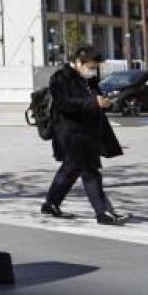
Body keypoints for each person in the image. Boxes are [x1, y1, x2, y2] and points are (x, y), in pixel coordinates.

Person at [40, 46, 132, 225]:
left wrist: (105, 103)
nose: (93, 70)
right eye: (91, 66)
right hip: (71, 134)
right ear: (79, 62)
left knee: (70, 170)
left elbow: (96, 101)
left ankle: (51, 203)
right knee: (90, 172)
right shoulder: (61, 78)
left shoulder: (89, 80)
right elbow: (64, 104)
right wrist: (92, 102)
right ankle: (103, 212)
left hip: (89, 133)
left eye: (95, 67)